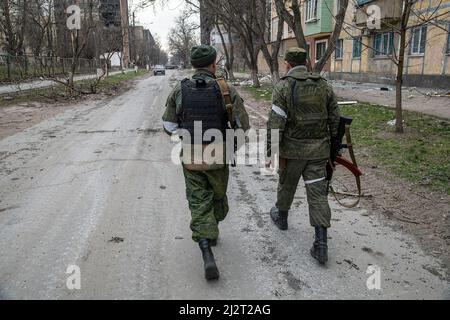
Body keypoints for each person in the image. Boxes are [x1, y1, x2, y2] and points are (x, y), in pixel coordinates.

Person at [162, 45, 249, 280]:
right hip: (218, 156)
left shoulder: (179, 90)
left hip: (191, 156)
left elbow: (169, 126)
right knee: (218, 196)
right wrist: (231, 148)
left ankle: (206, 242)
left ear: (193, 65)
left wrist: (184, 138)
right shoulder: (226, 90)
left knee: (198, 201)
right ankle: (209, 239)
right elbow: (242, 128)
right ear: (213, 65)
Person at [266, 47, 341, 265]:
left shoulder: (283, 86)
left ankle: (281, 217)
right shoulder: (324, 86)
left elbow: (275, 124)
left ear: (287, 64)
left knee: (287, 184)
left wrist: (272, 152)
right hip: (319, 153)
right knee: (318, 194)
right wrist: (333, 149)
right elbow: (335, 119)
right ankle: (321, 244)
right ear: (307, 63)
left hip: (292, 152)